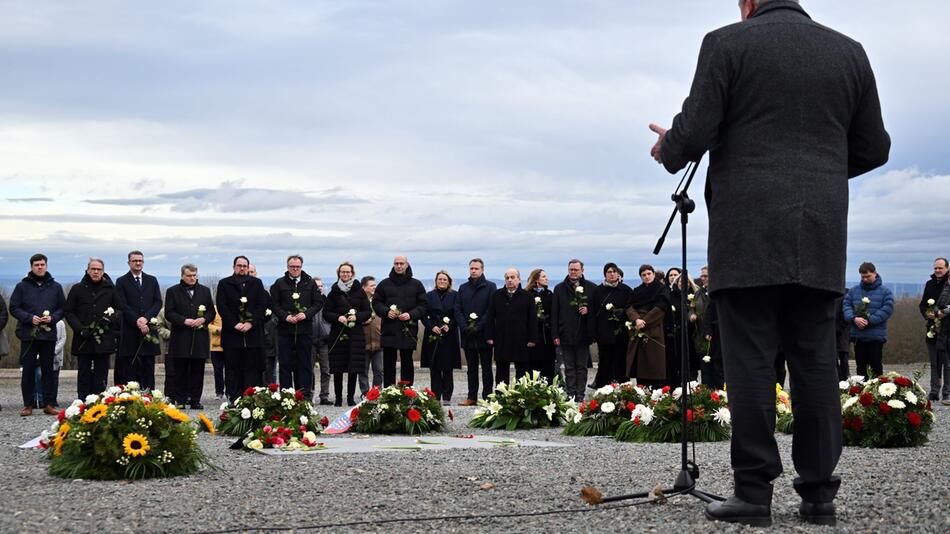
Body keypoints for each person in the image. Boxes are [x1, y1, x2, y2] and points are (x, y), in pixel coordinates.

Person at [648, 0, 890, 525]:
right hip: (820, 231)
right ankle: (819, 496)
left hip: (746, 231)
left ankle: (754, 494)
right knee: (817, 365)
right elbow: (875, 147)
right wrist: (819, 171)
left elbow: (693, 133)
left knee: (751, 364)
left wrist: (668, 146)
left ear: (748, 2)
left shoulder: (727, 43)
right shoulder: (850, 52)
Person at [10, 253, 65, 416]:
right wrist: (29, 318)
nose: (40, 267)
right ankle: (28, 405)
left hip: (48, 336)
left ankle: (48, 404)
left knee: (48, 371)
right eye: (36, 265)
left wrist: (52, 318)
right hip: (29, 335)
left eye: (42, 264)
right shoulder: (22, 286)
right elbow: (13, 307)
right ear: (31, 267)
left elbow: (63, 308)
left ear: (46, 266)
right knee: (28, 370)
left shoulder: (56, 287)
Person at [64, 258, 122, 401]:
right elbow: (69, 312)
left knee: (101, 372)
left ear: (103, 271)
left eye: (99, 269)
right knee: (83, 371)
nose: (96, 272)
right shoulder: (77, 288)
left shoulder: (111, 289)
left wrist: (110, 319)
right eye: (93, 269)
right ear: (88, 270)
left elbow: (120, 309)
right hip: (83, 338)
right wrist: (80, 329)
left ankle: (98, 400)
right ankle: (83, 401)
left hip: (104, 338)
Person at [270, 255, 324, 400]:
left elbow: (318, 303)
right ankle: (287, 397)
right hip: (285, 331)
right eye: (292, 266)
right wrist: (285, 317)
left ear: (301, 266)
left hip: (304, 330)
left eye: (297, 267)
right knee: (285, 365)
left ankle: (304, 397)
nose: (295, 269)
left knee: (304, 365)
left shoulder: (310, 283)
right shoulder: (279, 283)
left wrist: (306, 314)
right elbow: (274, 304)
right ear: (287, 267)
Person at [217, 255, 269, 401]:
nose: (242, 268)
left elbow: (261, 305)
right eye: (239, 265)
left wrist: (251, 323)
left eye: (245, 266)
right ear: (234, 267)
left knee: (252, 370)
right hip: (232, 335)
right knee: (233, 369)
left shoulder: (257, 283)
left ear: (248, 267)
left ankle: (250, 399)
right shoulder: (224, 283)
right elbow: (222, 306)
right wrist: (234, 323)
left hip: (252, 335)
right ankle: (234, 398)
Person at [164, 263, 216, 409]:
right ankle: (180, 400)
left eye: (194, 275)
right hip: (181, 337)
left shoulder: (205, 291)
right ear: (182, 276)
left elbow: (211, 312)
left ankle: (195, 400)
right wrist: (184, 320)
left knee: (197, 371)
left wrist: (204, 319)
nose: (192, 278)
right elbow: (169, 313)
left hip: (199, 337)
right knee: (180, 370)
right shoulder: (172, 291)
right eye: (189, 276)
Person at [373, 255, 427, 386]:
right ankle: (389, 392)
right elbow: (376, 302)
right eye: (396, 263)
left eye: (401, 263)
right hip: (389, 329)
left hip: (408, 330)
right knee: (388, 363)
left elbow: (423, 305)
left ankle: (406, 392)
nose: (399, 266)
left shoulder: (417, 284)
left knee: (407, 362)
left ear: (407, 265)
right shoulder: (384, 284)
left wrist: (411, 314)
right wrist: (386, 312)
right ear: (393, 265)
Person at [323, 262, 372, 406]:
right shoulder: (333, 291)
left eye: (347, 272)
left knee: (353, 367)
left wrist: (357, 317)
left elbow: (367, 311)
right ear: (339, 274)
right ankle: (338, 398)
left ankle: (350, 397)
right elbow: (326, 313)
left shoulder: (359, 291)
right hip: (338, 333)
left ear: (352, 274)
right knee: (338, 367)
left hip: (355, 334)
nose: (345, 274)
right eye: (342, 272)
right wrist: (338, 317)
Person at [115, 250, 163, 389]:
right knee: (130, 366)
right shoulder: (122, 281)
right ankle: (131, 397)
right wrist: (137, 320)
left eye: (140, 260)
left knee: (148, 366)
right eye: (135, 260)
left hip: (148, 330)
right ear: (129, 262)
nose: (138, 263)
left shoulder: (152, 280)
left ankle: (149, 395)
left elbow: (157, 302)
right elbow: (122, 304)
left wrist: (146, 318)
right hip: (130, 330)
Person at [551, 259, 597, 402]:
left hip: (583, 334)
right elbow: (555, 313)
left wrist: (588, 310)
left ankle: (580, 394)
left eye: (576, 269)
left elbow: (597, 311)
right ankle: (570, 394)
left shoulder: (591, 288)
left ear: (582, 271)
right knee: (569, 367)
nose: (573, 272)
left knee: (581, 367)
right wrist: (555, 334)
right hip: (565, 333)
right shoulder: (559, 288)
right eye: (571, 269)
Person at [455, 258, 496, 405]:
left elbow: (490, 310)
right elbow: (457, 309)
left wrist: (478, 327)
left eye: (476, 268)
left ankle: (487, 397)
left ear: (482, 270)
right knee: (471, 368)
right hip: (467, 334)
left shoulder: (491, 287)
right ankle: (472, 397)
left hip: (484, 334)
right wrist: (465, 327)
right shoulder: (463, 287)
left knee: (486, 367)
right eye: (471, 268)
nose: (473, 271)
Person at [486, 269, 538, 386]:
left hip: (521, 339)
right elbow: (490, 317)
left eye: (512, 277)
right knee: (501, 371)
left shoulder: (527, 296)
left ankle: (520, 398)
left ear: (519, 279)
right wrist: (489, 336)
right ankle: (501, 397)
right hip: (502, 339)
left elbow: (532, 319)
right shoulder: (497, 295)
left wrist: (532, 339)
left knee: (522, 371)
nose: (509, 280)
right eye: (507, 278)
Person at [843, 262, 894, 378]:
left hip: (876, 337)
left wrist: (868, 321)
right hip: (858, 336)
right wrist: (854, 318)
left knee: (876, 367)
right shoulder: (853, 291)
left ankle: (877, 393)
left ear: (875, 273)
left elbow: (887, 310)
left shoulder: (885, 292)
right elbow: (846, 307)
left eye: (868, 276)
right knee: (860, 368)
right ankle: (861, 394)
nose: (865, 279)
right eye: (863, 277)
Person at [624, 265, 671, 389]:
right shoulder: (637, 291)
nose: (647, 276)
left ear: (654, 274)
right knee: (641, 367)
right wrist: (636, 319)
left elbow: (661, 308)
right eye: (643, 275)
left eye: (649, 273)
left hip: (654, 329)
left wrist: (644, 321)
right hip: (638, 329)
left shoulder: (662, 289)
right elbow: (629, 306)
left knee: (655, 365)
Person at [420, 271, 462, 404]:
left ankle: (447, 397)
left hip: (449, 335)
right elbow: (423, 315)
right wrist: (431, 326)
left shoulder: (455, 295)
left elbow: (458, 314)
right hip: (433, 333)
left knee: (448, 367)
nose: (442, 281)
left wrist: (451, 326)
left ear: (449, 281)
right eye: (440, 279)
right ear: (436, 281)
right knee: (435, 366)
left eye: (444, 279)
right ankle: (436, 396)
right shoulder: (429, 296)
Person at [591, 263, 633, 387]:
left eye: (614, 271)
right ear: (605, 274)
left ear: (618, 274)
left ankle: (624, 390)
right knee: (605, 363)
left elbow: (631, 308)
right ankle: (603, 390)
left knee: (621, 363)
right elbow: (593, 312)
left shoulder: (626, 290)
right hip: (604, 334)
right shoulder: (598, 291)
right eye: (609, 272)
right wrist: (593, 332)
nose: (612, 274)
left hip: (621, 333)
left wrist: (623, 314)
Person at [920, 258, 949, 401]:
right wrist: (927, 313)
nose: (937, 270)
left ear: (947, 268)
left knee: (947, 363)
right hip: (932, 328)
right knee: (934, 362)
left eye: (940, 268)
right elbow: (923, 304)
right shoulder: (929, 284)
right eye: (935, 268)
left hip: (947, 329)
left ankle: (947, 392)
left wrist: (941, 313)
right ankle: (934, 391)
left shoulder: (948, 284)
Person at [525, 269, 557, 382]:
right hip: (533, 336)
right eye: (543, 276)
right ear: (537, 279)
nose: (547, 278)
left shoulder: (549, 294)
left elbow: (554, 313)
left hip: (547, 336)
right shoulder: (527, 295)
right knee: (533, 368)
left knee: (548, 367)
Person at [311, 277, 334, 405]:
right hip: (311, 339)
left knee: (326, 369)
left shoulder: (327, 302)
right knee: (310, 369)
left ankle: (324, 395)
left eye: (321, 285)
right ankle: (310, 393)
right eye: (316, 285)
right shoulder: (309, 301)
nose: (319, 288)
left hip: (325, 340)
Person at [360, 276, 383, 392]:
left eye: (375, 285)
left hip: (379, 341)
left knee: (379, 370)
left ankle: (376, 392)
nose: (375, 287)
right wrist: (363, 320)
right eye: (372, 286)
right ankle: (365, 392)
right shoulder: (358, 302)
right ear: (364, 287)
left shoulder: (379, 302)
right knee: (363, 370)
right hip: (363, 342)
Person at [208, 308, 226, 400]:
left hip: (228, 345)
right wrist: (218, 329)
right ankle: (219, 392)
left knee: (230, 370)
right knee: (217, 370)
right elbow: (208, 325)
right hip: (215, 346)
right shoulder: (214, 310)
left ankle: (230, 392)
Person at [834, 294, 850, 381]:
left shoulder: (845, 295)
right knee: (833, 361)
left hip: (842, 333)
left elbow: (846, 315)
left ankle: (845, 383)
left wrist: (836, 329)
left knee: (844, 360)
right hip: (831, 333)